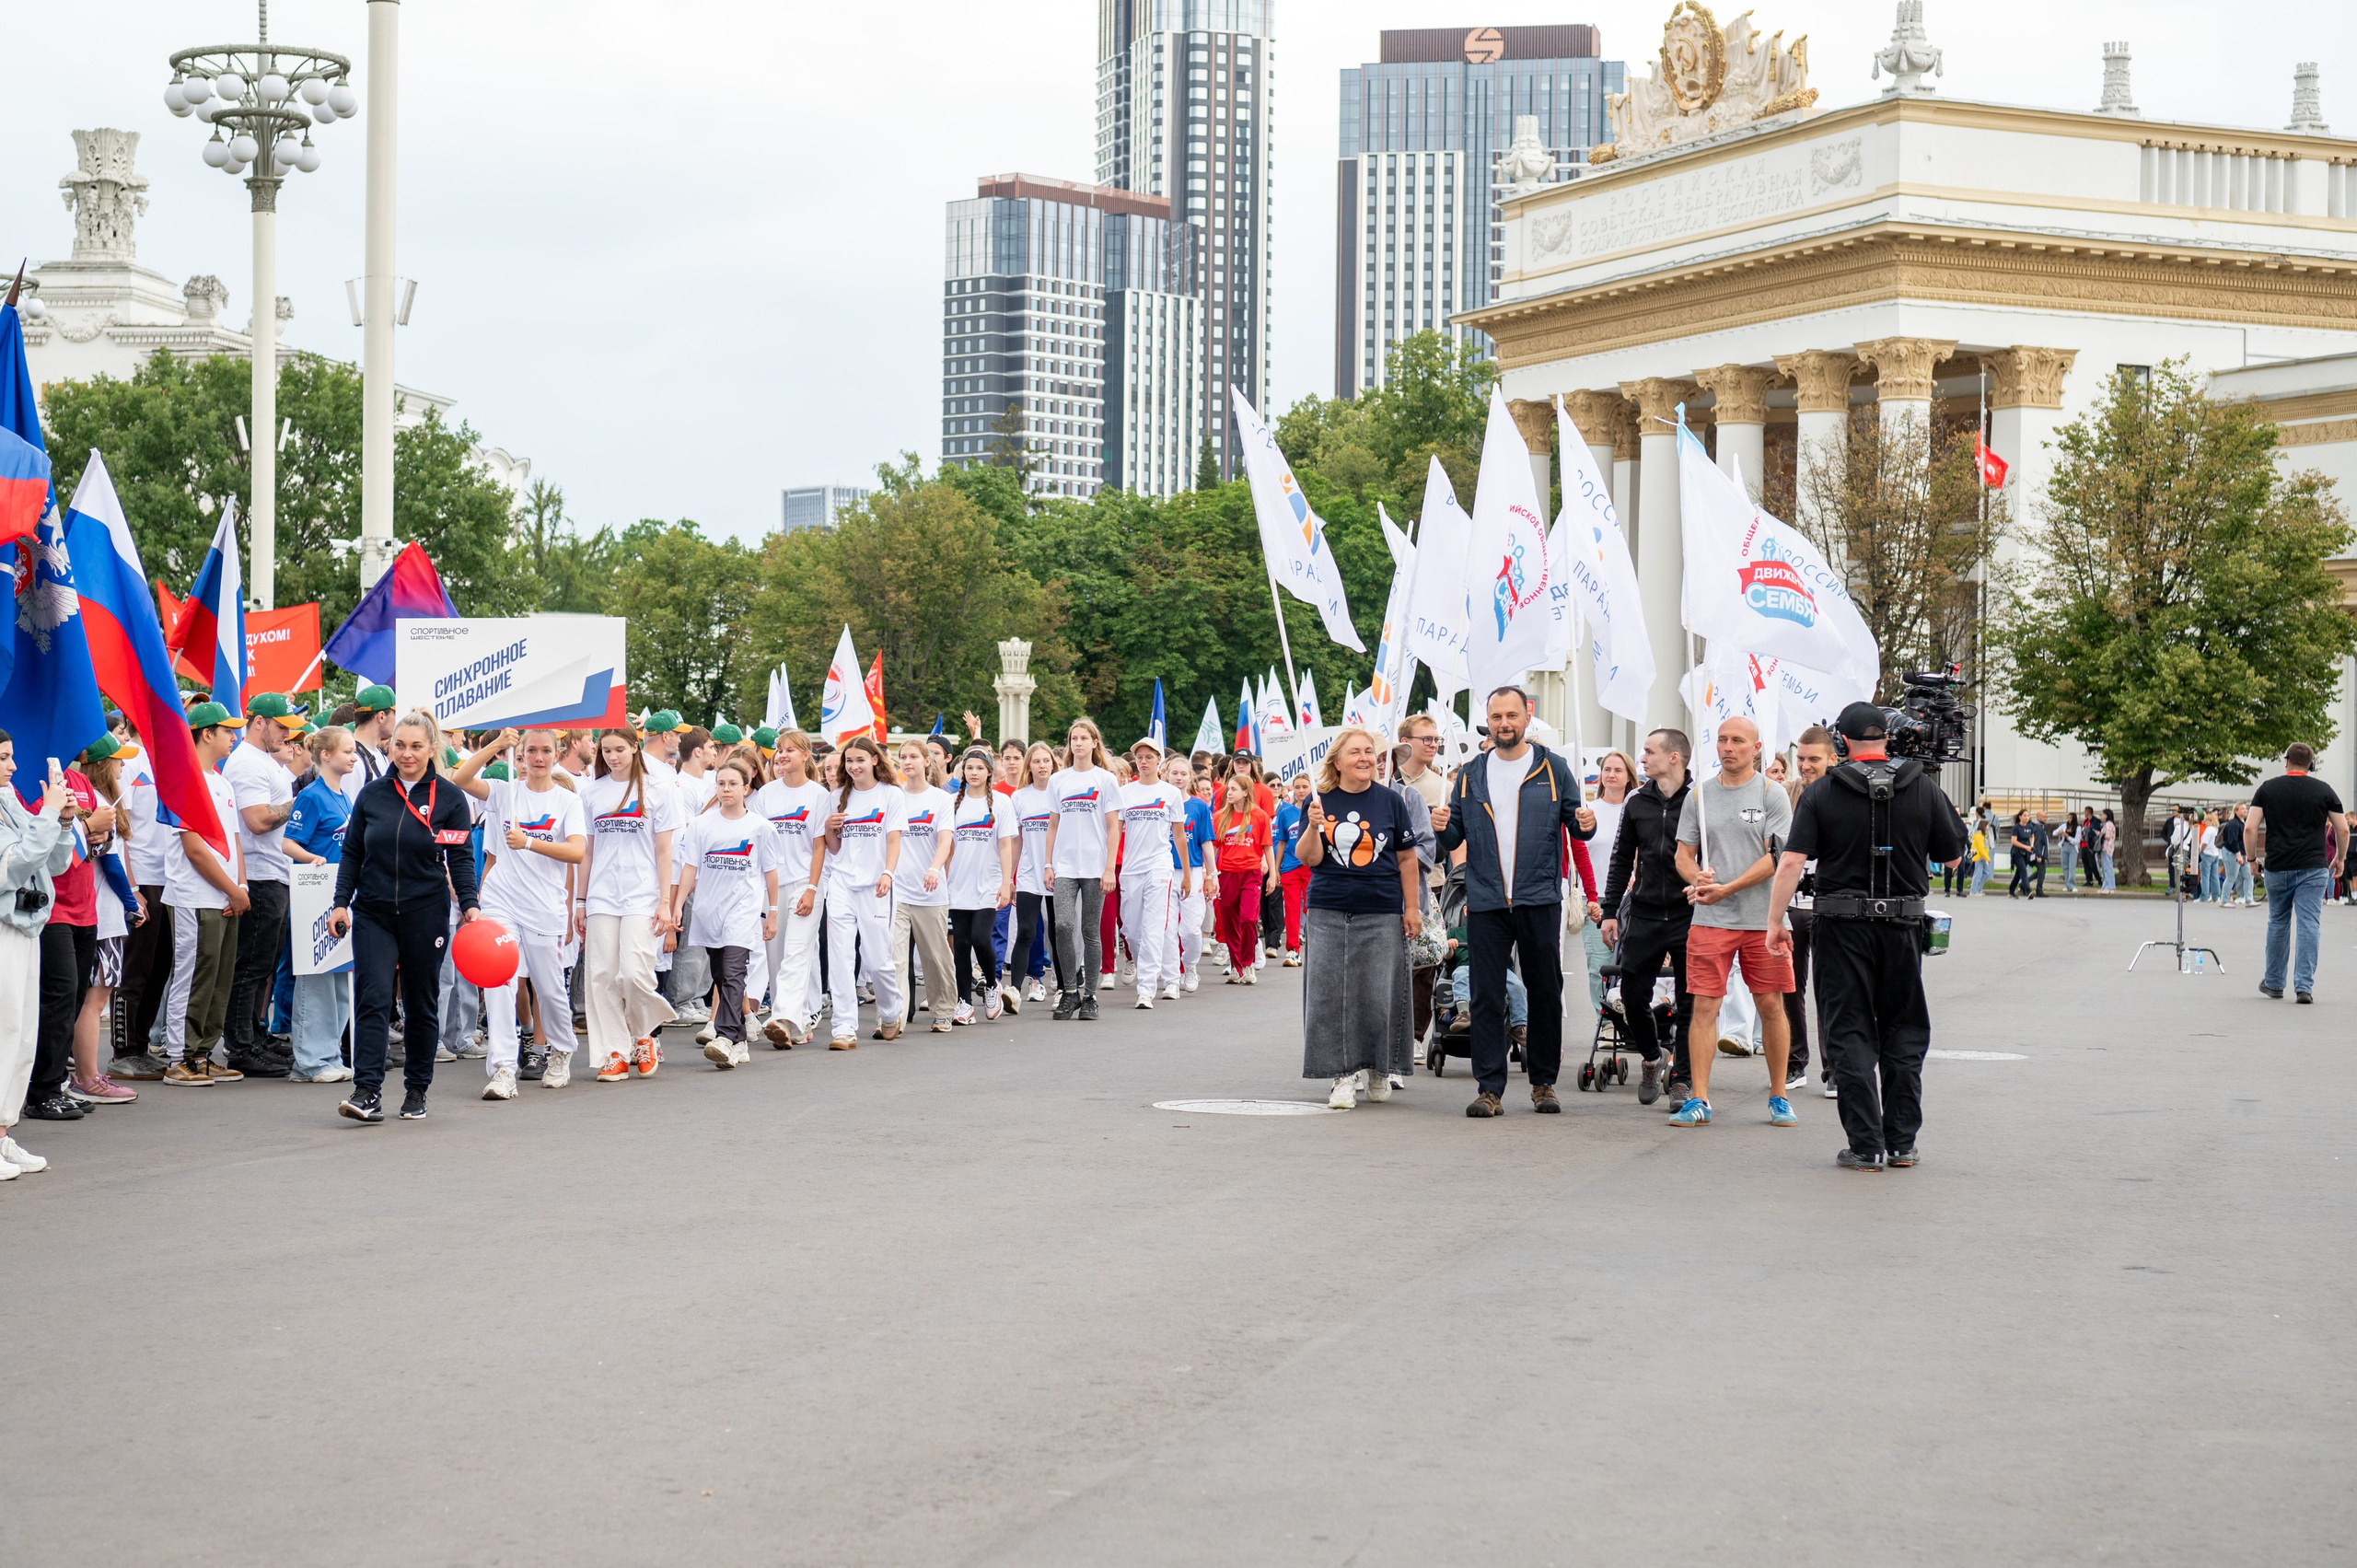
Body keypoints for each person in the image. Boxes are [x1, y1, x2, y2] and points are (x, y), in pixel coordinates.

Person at [1766, 702, 1969, 1172]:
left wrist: (1775, 922)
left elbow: (1793, 862)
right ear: (1886, 738)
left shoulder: (1822, 794)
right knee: (1903, 1029)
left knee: (1849, 1030)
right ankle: (1901, 1143)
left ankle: (1865, 1145)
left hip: (1841, 929)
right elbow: (1953, 857)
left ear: (1843, 743)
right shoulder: (1922, 786)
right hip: (1902, 929)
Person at [1432, 687, 1595, 1119]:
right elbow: (1453, 839)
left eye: (1511, 715)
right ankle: (1490, 1088)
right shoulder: (1471, 773)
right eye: (1496, 716)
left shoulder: (1553, 768)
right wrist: (1442, 827)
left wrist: (1586, 823)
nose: (1504, 723)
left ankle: (1543, 1084)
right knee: (1486, 994)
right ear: (1489, 720)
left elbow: (1577, 828)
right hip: (1485, 899)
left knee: (1544, 991)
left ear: (1527, 716)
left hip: (1539, 896)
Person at [328, 710, 482, 1122]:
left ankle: (417, 1089)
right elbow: (353, 853)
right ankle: (367, 1091)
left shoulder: (450, 798)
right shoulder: (372, 795)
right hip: (374, 912)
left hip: (425, 913)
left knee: (420, 1003)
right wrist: (341, 901)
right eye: (400, 745)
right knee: (373, 998)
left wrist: (470, 905)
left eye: (416, 746)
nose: (407, 754)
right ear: (389, 746)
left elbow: (461, 858)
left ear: (433, 748)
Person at [1667, 716, 1797, 1129]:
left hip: (1764, 918)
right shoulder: (1699, 797)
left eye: (1738, 740)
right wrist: (1697, 878)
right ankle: (1699, 1098)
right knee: (1704, 1007)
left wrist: (1728, 887)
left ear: (1756, 747)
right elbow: (1683, 855)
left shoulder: (1773, 794)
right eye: (1722, 740)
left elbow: (1775, 858)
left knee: (1771, 1004)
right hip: (1711, 919)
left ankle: (1778, 1095)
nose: (1728, 747)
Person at [454, 728, 588, 1095]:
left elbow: (577, 851)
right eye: (531, 750)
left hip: (544, 905)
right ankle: (503, 1068)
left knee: (548, 987)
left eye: (546, 750)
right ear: (521, 755)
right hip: (502, 901)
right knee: (500, 981)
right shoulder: (503, 793)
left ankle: (561, 1049)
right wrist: (497, 744)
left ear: (557, 753)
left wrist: (529, 842)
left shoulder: (567, 802)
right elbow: (461, 778)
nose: (538, 757)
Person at [1297, 726, 1422, 1109]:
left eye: (1369, 751)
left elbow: (1406, 858)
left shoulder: (1391, 801)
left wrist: (1412, 908)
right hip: (1328, 909)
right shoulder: (1317, 801)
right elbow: (1309, 858)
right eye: (1356, 752)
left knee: (1378, 994)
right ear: (1337, 761)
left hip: (1382, 908)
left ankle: (1379, 1068)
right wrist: (1316, 825)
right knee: (1329, 996)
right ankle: (1341, 1075)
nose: (1365, 758)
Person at [1601, 728, 1696, 1106]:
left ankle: (1682, 1081)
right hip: (1644, 914)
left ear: (1674, 757)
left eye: (1649, 751)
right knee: (1630, 994)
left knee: (1691, 1003)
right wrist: (1610, 911)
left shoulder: (1699, 801)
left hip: (1690, 915)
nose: (1642, 758)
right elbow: (1622, 858)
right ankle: (1654, 1058)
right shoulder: (1637, 801)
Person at [159, 703, 251, 1087]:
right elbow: (194, 848)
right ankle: (178, 1057)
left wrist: (241, 888)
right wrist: (232, 889)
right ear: (205, 733)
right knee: (193, 975)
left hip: (226, 897)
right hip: (194, 895)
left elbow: (234, 841)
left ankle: (202, 1054)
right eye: (227, 731)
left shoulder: (222, 781)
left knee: (218, 977)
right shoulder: (184, 779)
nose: (234, 737)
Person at [0, 734, 77, 1179]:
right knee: (6, 1027)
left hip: (27, 929)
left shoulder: (9, 801)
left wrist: (63, 822)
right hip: (5, 930)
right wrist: (49, 812)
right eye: (4, 758)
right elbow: (13, 865)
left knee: (23, 1031)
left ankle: (4, 1132)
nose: (12, 766)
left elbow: (52, 863)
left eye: (12, 756)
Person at [671, 754, 778, 1069]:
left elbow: (770, 872)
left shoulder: (760, 827)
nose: (726, 789)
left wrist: (772, 911)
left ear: (747, 788)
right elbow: (690, 868)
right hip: (708, 911)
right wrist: (677, 906)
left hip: (743, 910)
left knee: (733, 972)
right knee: (720, 974)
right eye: (720, 784)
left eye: (733, 784)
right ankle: (741, 1038)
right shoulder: (702, 825)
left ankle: (726, 1036)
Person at [221, 692, 307, 1076]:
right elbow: (256, 820)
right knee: (251, 965)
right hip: (258, 874)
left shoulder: (263, 762)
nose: (286, 735)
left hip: (272, 872)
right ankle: (240, 1045)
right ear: (259, 723)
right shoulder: (246, 763)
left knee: (264, 964)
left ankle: (253, 1036)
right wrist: (299, 804)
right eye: (281, 727)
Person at [66, 735, 145, 1106]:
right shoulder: (99, 804)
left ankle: (84, 1074)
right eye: (117, 760)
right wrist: (133, 903)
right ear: (102, 765)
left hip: (97, 913)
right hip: (103, 914)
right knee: (94, 1001)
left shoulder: (96, 803)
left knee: (90, 998)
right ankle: (88, 1077)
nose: (122, 766)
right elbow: (110, 863)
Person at [820, 736, 906, 1047]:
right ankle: (843, 1027)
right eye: (849, 761)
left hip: (876, 885)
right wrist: (830, 828)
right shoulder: (837, 796)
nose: (854, 766)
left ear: (874, 760)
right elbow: (833, 848)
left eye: (859, 760)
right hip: (841, 882)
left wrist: (887, 872)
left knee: (876, 959)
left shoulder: (891, 796)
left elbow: (894, 840)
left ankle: (890, 1010)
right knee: (841, 956)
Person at [283, 726, 357, 1083]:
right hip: (314, 897)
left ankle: (329, 1054)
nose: (354, 756)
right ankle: (310, 1060)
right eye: (347, 751)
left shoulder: (344, 796)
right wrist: (313, 858)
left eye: (355, 750)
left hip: (340, 896)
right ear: (326, 755)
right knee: (315, 980)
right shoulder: (311, 796)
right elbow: (289, 844)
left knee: (340, 978)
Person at [2249, 742, 2347, 1004]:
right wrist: (2339, 858)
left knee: (2278, 921)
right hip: (2313, 868)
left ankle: (2274, 983)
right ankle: (2304, 986)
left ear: (2286, 761)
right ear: (2311, 765)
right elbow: (2343, 829)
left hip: (2278, 866)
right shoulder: (2324, 790)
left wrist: (2251, 860)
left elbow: (2250, 828)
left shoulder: (2267, 789)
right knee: (2309, 924)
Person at [107, 732, 179, 1081]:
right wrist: (132, 888)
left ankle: (141, 1046)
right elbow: (125, 829)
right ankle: (122, 1050)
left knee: (160, 965)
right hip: (144, 878)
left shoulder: (174, 756)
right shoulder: (134, 756)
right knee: (134, 968)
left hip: (170, 878)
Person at [754, 728, 832, 1046]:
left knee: (797, 950)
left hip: (805, 882)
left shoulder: (818, 795)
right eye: (779, 749)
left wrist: (812, 888)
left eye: (790, 750)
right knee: (776, 955)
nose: (783, 755)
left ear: (805, 755)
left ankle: (781, 1016)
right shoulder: (766, 795)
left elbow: (819, 847)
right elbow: (758, 845)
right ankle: (799, 1020)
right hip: (772, 884)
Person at [1043, 720, 1120, 1021]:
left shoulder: (1105, 780)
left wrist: (1109, 868)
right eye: (1073, 738)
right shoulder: (1058, 780)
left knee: (1090, 930)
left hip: (1095, 866)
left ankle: (1090, 996)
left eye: (1083, 738)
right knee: (1062, 925)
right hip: (1064, 866)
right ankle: (1070, 991)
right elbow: (1052, 825)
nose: (1078, 743)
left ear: (1094, 743)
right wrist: (1048, 863)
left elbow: (1113, 827)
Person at [944, 745, 1019, 1024]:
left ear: (989, 772)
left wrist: (1006, 882)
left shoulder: (1001, 802)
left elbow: (1005, 845)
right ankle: (964, 1002)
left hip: (987, 884)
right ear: (962, 771)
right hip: (958, 884)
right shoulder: (952, 802)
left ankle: (991, 985)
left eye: (979, 767)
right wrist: (945, 880)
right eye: (969, 767)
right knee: (960, 945)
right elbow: (947, 846)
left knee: (980, 938)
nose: (973, 772)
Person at [1113, 738, 1190, 1009]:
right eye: (1139, 757)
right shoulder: (1125, 793)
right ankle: (1153, 970)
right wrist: (1109, 867)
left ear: (1159, 760)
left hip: (1159, 866)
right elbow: (1113, 832)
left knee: (1154, 927)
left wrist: (1188, 875)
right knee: (1132, 930)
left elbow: (1179, 837)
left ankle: (1146, 989)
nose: (1143, 761)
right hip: (1131, 869)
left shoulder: (1170, 793)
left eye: (1148, 757)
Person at [1781, 725, 1835, 1097]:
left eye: (1813, 759)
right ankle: (1795, 1063)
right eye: (1800, 759)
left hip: (1831, 905)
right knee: (1789, 988)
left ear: (1832, 758)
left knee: (1830, 991)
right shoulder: (1786, 794)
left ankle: (1834, 1069)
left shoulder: (1841, 794)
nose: (1805, 765)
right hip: (1793, 907)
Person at [891, 738, 958, 1034]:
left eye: (913, 757)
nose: (907, 762)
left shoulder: (941, 800)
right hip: (898, 892)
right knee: (894, 959)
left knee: (934, 957)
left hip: (931, 892)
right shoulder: (894, 798)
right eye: (903, 757)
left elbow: (945, 840)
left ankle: (943, 1010)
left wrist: (934, 868)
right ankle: (894, 1016)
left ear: (926, 762)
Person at [1009, 742, 1058, 1005]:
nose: (1041, 766)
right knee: (1026, 931)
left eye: (1046, 761)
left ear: (1053, 764)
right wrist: (1010, 879)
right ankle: (1017, 989)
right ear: (1030, 766)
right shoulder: (1020, 797)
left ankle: (1063, 986)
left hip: (1058, 872)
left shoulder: (1060, 792)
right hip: (1028, 874)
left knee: (1057, 931)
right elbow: (1016, 841)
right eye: (1036, 761)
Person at [1211, 773, 1273, 981]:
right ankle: (1237, 967)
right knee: (1229, 922)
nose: (1229, 793)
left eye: (1234, 789)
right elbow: (1212, 847)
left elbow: (1267, 847)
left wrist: (1272, 874)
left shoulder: (1260, 816)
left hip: (1251, 873)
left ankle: (1248, 964)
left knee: (1248, 919)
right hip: (1227, 874)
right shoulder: (1220, 816)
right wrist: (1208, 874)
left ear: (1246, 792)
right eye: (1228, 789)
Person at [1166, 753, 1215, 995]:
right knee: (1166, 928)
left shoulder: (1198, 806)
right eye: (1174, 773)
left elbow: (1206, 841)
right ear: (1166, 774)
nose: (1178, 777)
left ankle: (1191, 966)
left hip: (1192, 871)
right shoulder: (1159, 802)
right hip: (1163, 869)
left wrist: (1212, 874)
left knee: (1191, 929)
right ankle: (1172, 975)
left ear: (1190, 777)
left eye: (1183, 773)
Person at [1270, 774, 1312, 964]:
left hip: (1312, 867)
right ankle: (1293, 949)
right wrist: (1276, 869)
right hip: (1290, 867)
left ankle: (1316, 945)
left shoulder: (1319, 810)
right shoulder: (1285, 813)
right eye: (1298, 787)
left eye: (1305, 786)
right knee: (1292, 909)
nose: (1301, 790)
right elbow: (1281, 843)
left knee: (1311, 908)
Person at [338, 685, 399, 808]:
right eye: (394, 713)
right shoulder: (354, 761)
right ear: (381, 716)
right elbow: (349, 817)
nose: (396, 720)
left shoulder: (379, 754)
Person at [2220, 804, 2250, 906]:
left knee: (2249, 875)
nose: (2245, 811)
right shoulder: (2233, 824)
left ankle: (2249, 899)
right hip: (2231, 853)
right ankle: (2224, 901)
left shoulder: (2243, 823)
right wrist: (2238, 855)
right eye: (2242, 809)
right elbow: (2233, 841)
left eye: (2246, 809)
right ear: (2236, 811)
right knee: (2231, 877)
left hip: (2242, 853)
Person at [2006, 812, 2033, 899]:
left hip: (2026, 853)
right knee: (2023, 871)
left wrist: (2031, 845)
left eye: (2028, 816)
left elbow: (2032, 836)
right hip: (2017, 852)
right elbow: (2014, 841)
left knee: (2018, 873)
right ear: (2020, 817)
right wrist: (2025, 847)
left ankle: (2011, 891)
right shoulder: (2016, 827)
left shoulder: (2030, 827)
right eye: (2024, 816)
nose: (2026, 817)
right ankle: (2028, 891)